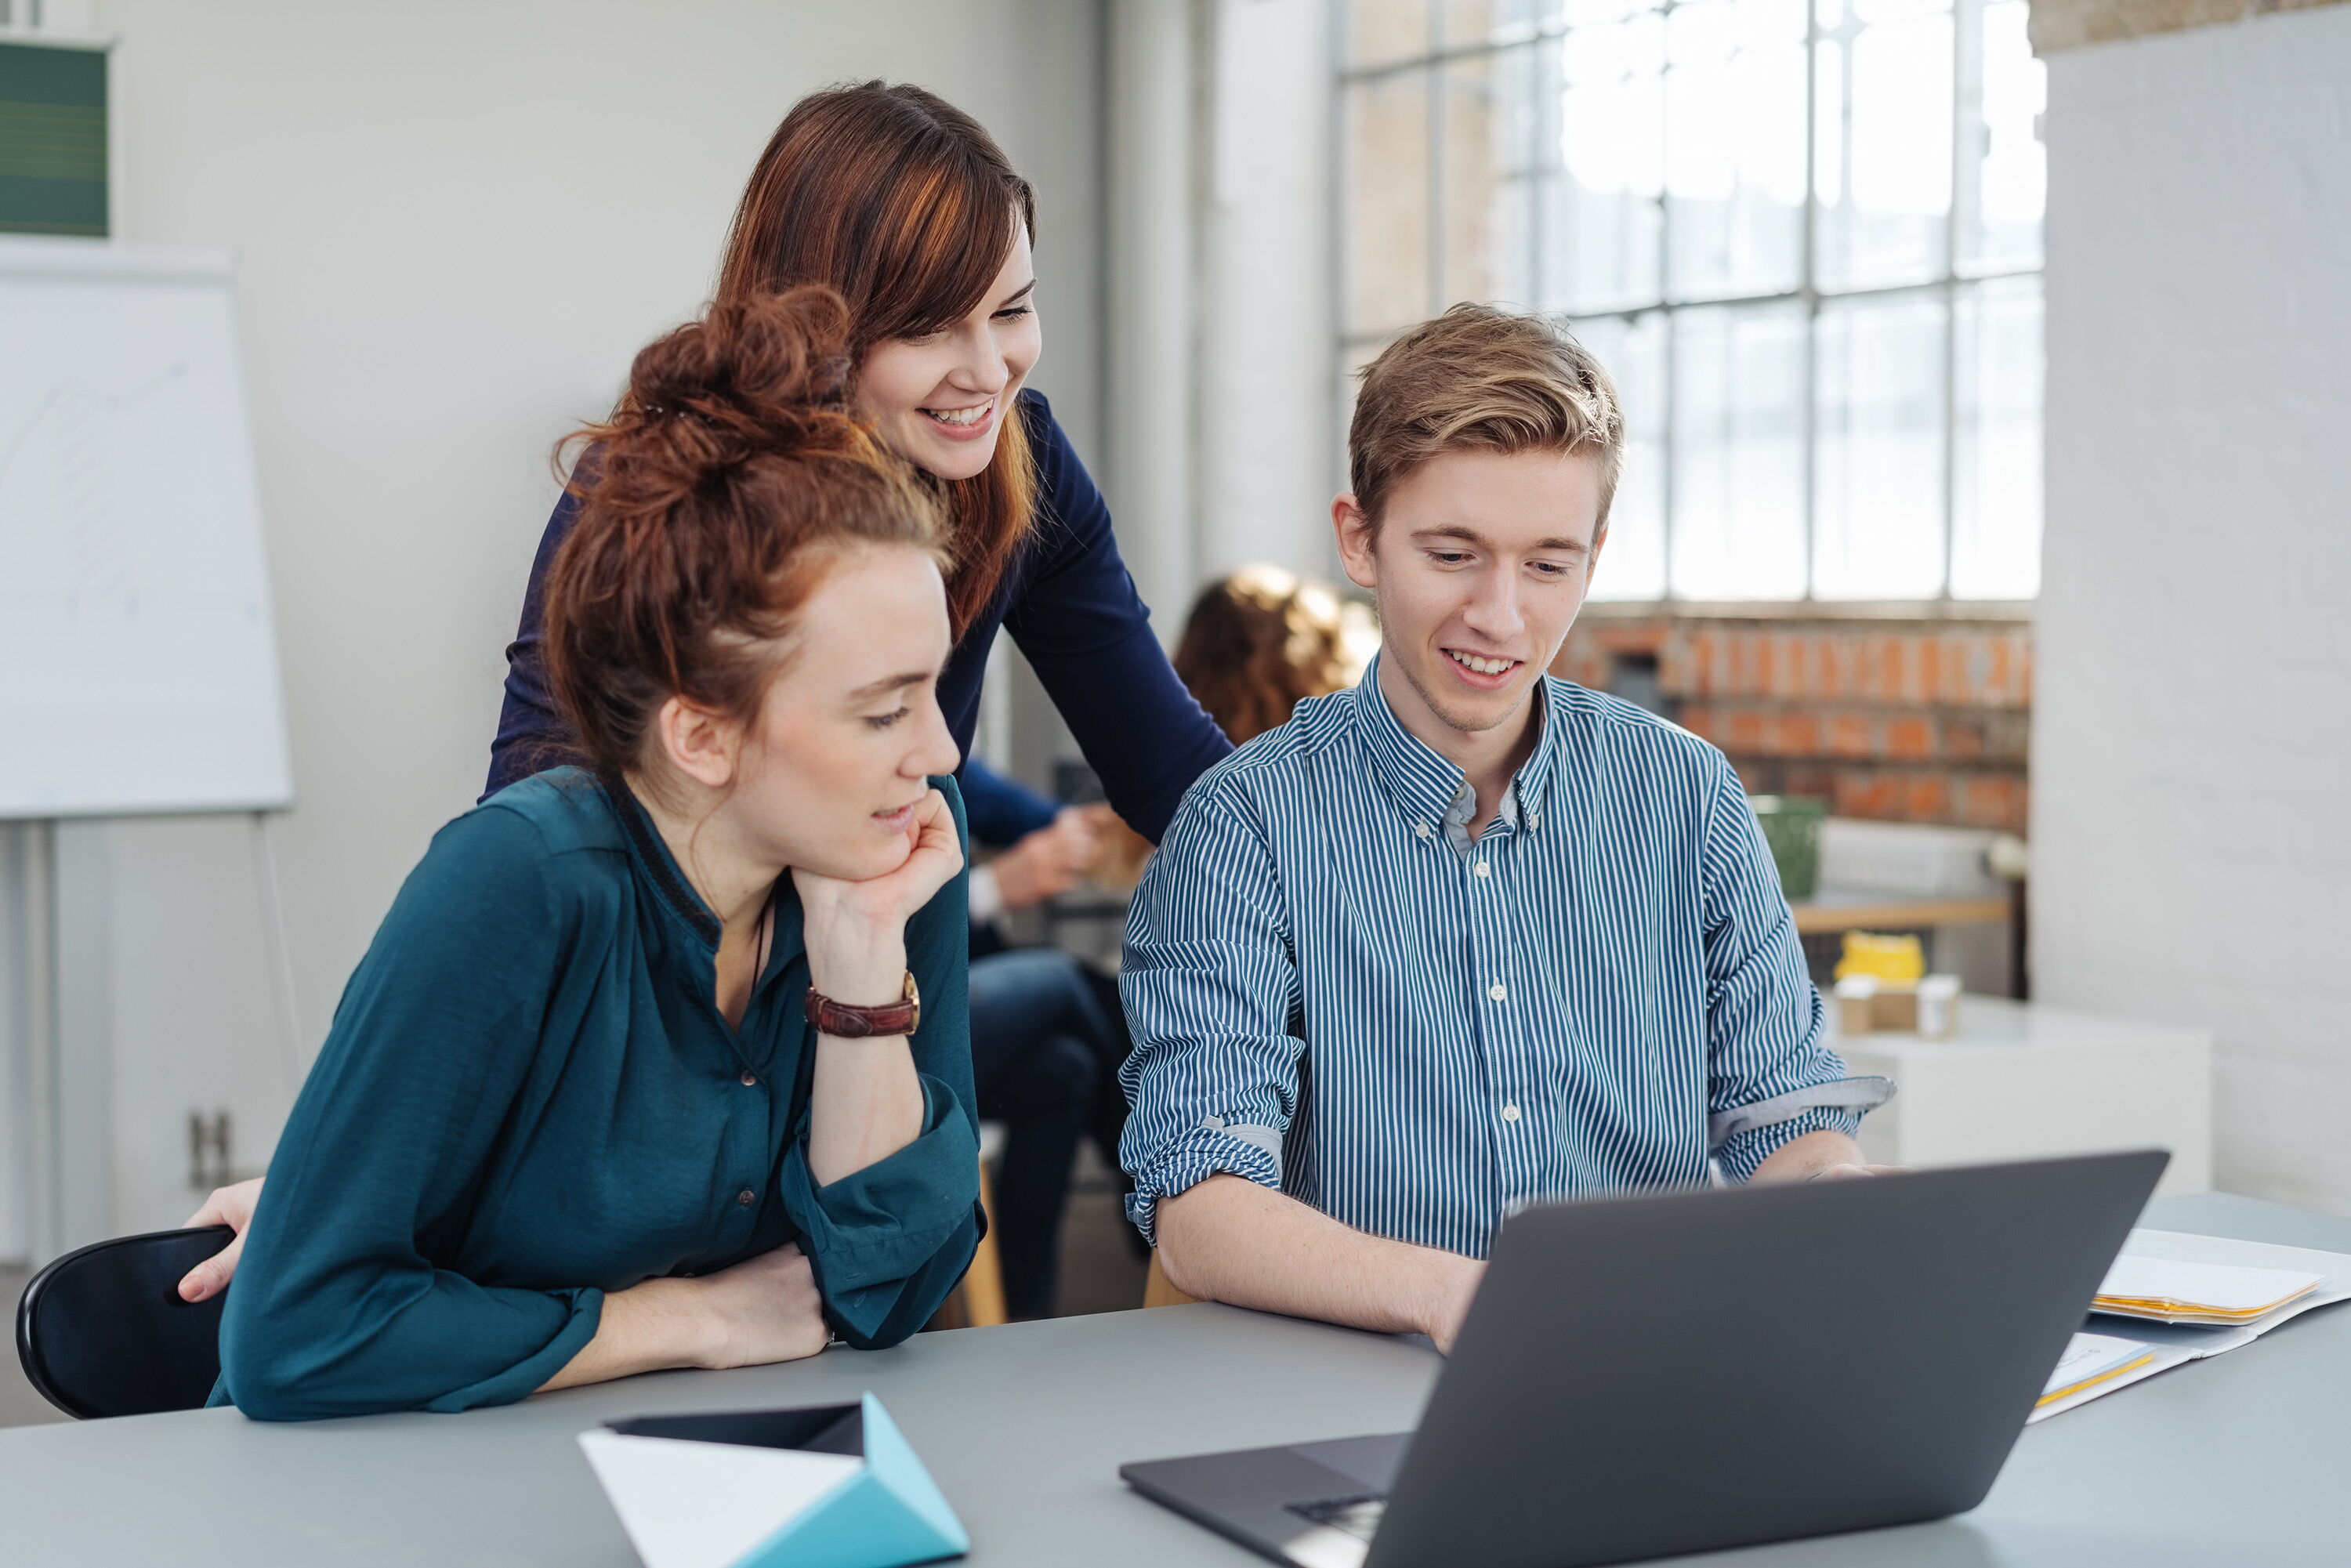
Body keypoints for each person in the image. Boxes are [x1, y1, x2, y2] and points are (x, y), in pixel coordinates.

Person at [176, 78, 1232, 1308]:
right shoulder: (661, 498)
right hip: (658, 1060)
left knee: (892, 1311)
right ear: (820, 321)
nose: (986, 368)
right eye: (932, 327)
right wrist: (361, 1177)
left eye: (1012, 310)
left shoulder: (1016, 460)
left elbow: (1180, 776)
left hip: (853, 986)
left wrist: (1406, 865)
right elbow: (530, 836)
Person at [212, 290, 983, 1420]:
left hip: (704, 1478)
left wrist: (862, 972)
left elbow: (883, 1296)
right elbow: (297, 1332)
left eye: (934, 690)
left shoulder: (889, 856)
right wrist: (694, 1318)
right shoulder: (518, 883)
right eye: (884, 709)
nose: (940, 748)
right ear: (704, 735)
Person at [1118, 304, 1891, 1353]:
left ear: (1594, 556)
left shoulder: (1687, 797)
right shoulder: (1243, 827)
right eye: (1453, 553)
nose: (1501, 614)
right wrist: (1453, 1297)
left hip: (1649, 1373)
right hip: (1349, 1391)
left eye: (1547, 563)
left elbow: (1788, 1123)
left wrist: (1849, 1223)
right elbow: (1201, 1207)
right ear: (1361, 539)